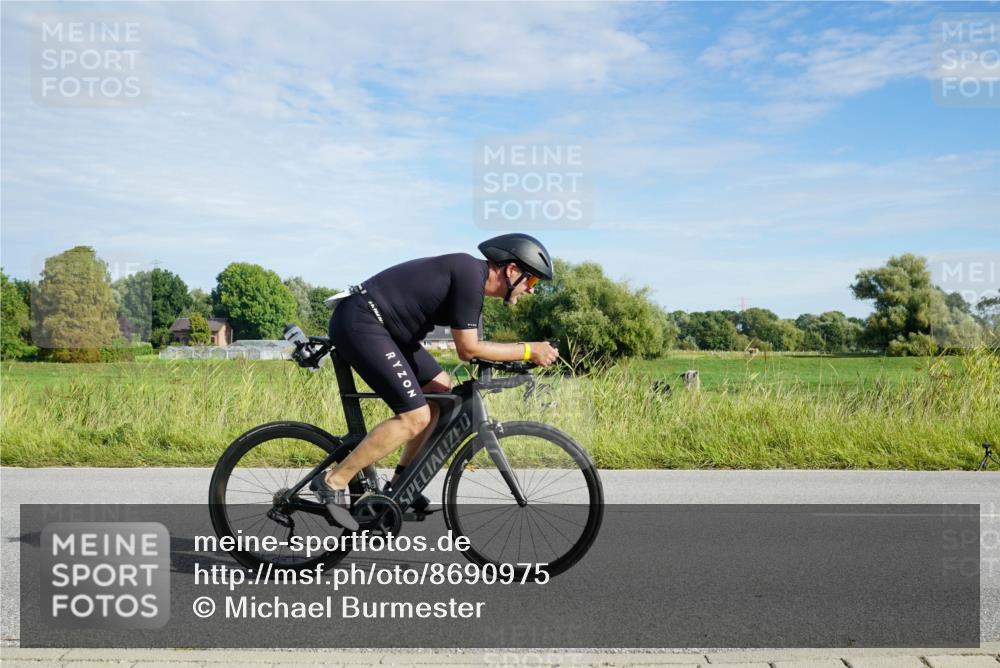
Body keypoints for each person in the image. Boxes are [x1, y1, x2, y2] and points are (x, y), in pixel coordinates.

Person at [310, 233, 560, 530]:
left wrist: (518, 357)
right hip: (362, 322)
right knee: (415, 417)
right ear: (511, 270)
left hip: (388, 330)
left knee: (442, 393)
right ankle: (333, 480)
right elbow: (468, 350)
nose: (531, 291)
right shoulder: (470, 276)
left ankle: (399, 488)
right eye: (531, 282)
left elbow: (474, 347)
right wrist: (529, 350)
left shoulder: (472, 280)